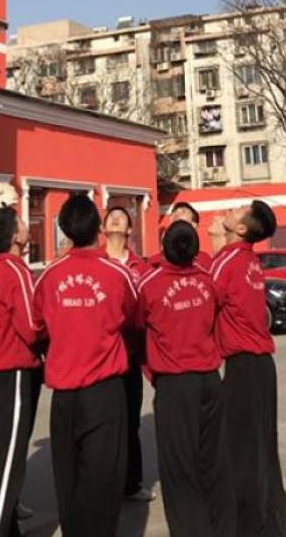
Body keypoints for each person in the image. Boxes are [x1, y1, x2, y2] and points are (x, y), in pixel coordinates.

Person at [33, 193, 137, 537]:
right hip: (104, 393)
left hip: (63, 395)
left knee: (69, 480)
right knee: (103, 483)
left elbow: (36, 327)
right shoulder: (115, 274)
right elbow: (133, 319)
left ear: (65, 230)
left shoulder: (49, 276)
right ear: (98, 228)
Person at [137, 221, 235, 537]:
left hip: (175, 383)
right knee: (214, 462)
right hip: (209, 379)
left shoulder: (150, 285)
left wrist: (152, 371)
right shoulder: (207, 282)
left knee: (179, 470)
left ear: (164, 248)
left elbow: (136, 327)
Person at [211, 199, 286, 537]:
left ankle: (251, 527)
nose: (229, 210)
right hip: (262, 366)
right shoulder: (248, 261)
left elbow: (206, 297)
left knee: (242, 451)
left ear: (241, 229)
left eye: (238, 210)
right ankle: (275, 518)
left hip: (243, 366)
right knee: (263, 446)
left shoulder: (227, 259)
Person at [0, 207, 42, 537]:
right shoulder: (16, 272)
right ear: (15, 236)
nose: (28, 227)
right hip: (11, 373)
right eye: (23, 224)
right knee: (6, 469)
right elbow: (31, 326)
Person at [102, 205, 154, 502]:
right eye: (111, 217)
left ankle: (131, 483)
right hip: (101, 356)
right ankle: (106, 481)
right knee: (106, 422)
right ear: (103, 228)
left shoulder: (139, 267)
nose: (116, 218)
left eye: (122, 217)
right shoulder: (96, 262)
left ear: (129, 230)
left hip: (130, 354)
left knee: (131, 419)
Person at [150, 201, 212, 270]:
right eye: (174, 212)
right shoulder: (155, 263)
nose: (177, 213)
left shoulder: (204, 261)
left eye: (183, 211)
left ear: (194, 225)